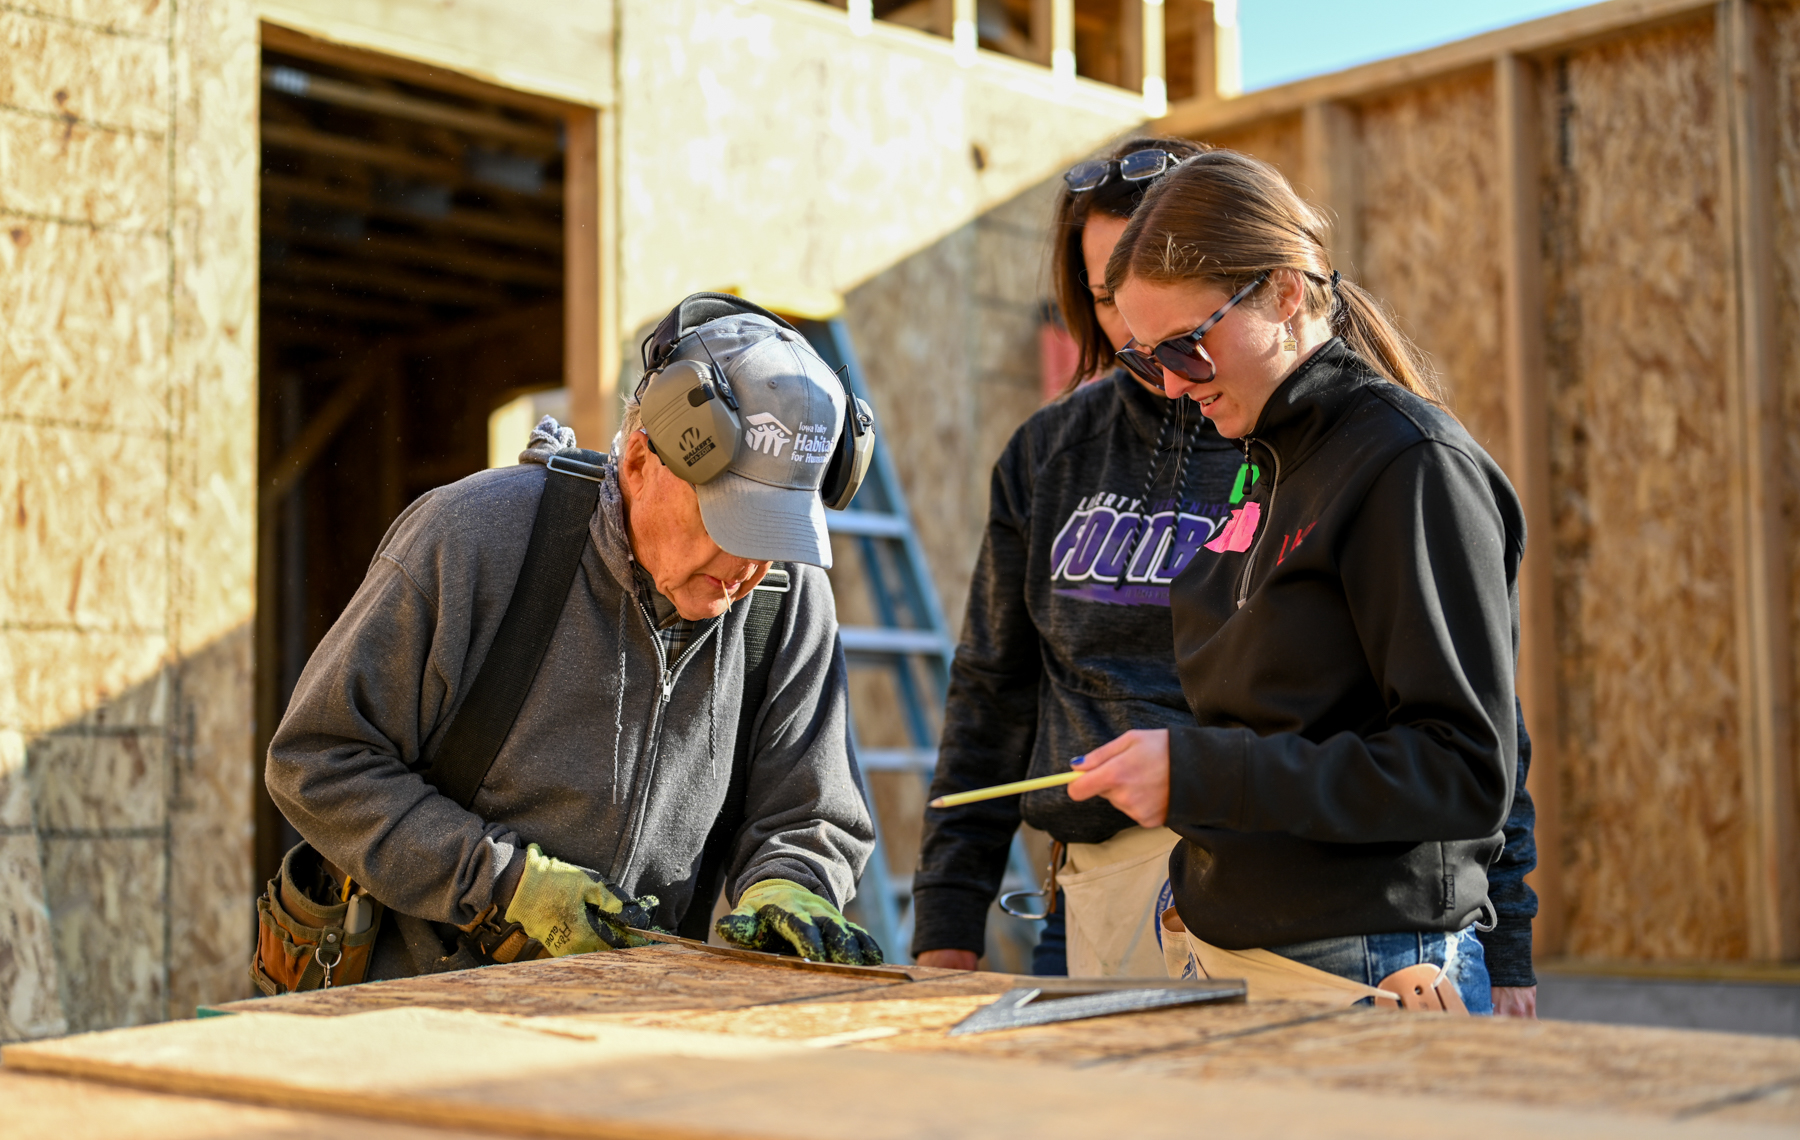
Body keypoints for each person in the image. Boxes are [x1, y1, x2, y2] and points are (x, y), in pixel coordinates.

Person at [914, 138, 1539, 1017]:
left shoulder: (1408, 465)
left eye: (1188, 347)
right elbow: (1001, 686)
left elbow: (1468, 766)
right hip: (1235, 938)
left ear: (1285, 292)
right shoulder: (1264, 456)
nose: (1170, 385)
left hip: (1367, 961)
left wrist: (1200, 774)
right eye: (1141, 355)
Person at [264, 297, 884, 981]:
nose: (747, 570)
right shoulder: (476, 540)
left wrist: (792, 883)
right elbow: (318, 761)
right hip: (417, 1004)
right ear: (644, 460)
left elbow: (810, 812)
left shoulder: (784, 598)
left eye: (776, 538)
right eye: (731, 525)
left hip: (623, 1019)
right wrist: (500, 883)